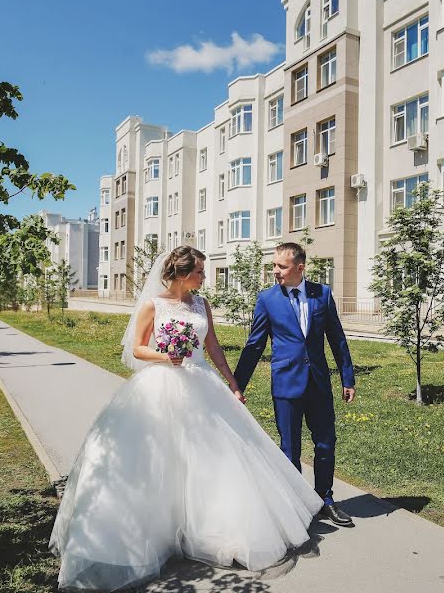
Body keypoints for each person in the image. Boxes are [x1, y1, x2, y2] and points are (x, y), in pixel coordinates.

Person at [49, 246, 322, 591]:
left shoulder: (200, 304)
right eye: (200, 273)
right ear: (181, 273)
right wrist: (165, 356)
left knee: (213, 458)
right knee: (163, 459)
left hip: (202, 383)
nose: (204, 278)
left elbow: (213, 348)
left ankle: (210, 531)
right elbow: (137, 348)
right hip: (162, 385)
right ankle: (159, 533)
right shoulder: (153, 305)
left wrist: (233, 383)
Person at [235, 242, 357, 527]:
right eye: (274, 266)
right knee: (290, 448)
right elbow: (254, 346)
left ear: (299, 268)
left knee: (326, 444)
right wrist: (237, 385)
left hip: (318, 383)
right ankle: (295, 504)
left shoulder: (322, 295)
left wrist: (347, 377)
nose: (275, 271)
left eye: (281, 266)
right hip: (286, 384)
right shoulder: (267, 299)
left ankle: (325, 500)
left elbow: (336, 338)